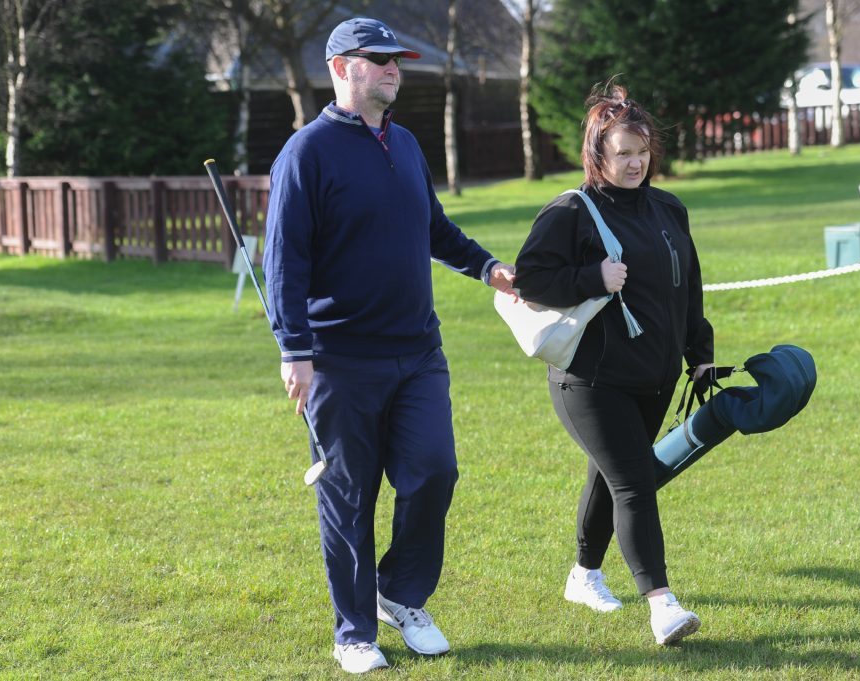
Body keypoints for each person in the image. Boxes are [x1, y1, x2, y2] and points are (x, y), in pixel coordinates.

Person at [261, 17, 516, 675]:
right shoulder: (305, 153)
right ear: (343, 67)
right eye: (379, 59)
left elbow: (432, 226)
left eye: (397, 59)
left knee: (435, 471)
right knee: (349, 499)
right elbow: (284, 263)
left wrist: (488, 267)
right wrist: (296, 351)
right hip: (340, 359)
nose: (394, 68)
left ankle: (400, 593)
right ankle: (353, 631)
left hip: (418, 353)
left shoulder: (403, 143)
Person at [512, 82, 714, 647]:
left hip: (655, 376)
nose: (635, 162)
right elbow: (529, 281)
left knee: (614, 474)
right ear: (597, 153)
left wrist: (701, 353)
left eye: (642, 150)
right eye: (623, 152)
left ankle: (583, 574)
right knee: (634, 482)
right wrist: (591, 278)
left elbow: (687, 286)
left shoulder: (669, 207)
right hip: (590, 381)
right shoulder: (571, 211)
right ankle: (663, 605)